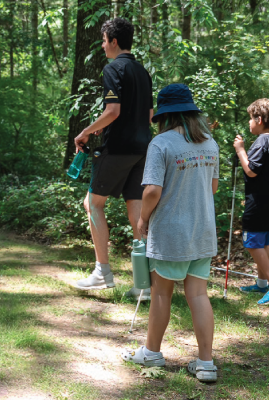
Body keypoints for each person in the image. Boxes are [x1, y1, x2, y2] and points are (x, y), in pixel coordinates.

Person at [120, 83, 218, 383]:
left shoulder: (161, 144)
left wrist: (142, 218)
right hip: (203, 231)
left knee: (161, 293)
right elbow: (212, 188)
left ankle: (151, 353)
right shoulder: (210, 143)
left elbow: (151, 191)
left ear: (164, 116)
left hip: (172, 231)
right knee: (198, 294)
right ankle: (205, 363)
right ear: (191, 112)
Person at [71, 17, 154, 300]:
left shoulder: (113, 69)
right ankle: (143, 283)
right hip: (144, 148)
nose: (103, 45)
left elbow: (112, 112)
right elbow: (150, 116)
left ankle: (102, 271)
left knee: (92, 203)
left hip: (118, 148)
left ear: (114, 41)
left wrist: (84, 132)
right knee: (137, 211)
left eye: (104, 40)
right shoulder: (143, 73)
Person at [232, 98, 269, 305]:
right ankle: (262, 282)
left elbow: (251, 170)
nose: (249, 123)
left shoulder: (263, 141)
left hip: (261, 201)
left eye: (251, 119)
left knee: (252, 242)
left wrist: (240, 149)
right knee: (263, 241)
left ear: (260, 119)